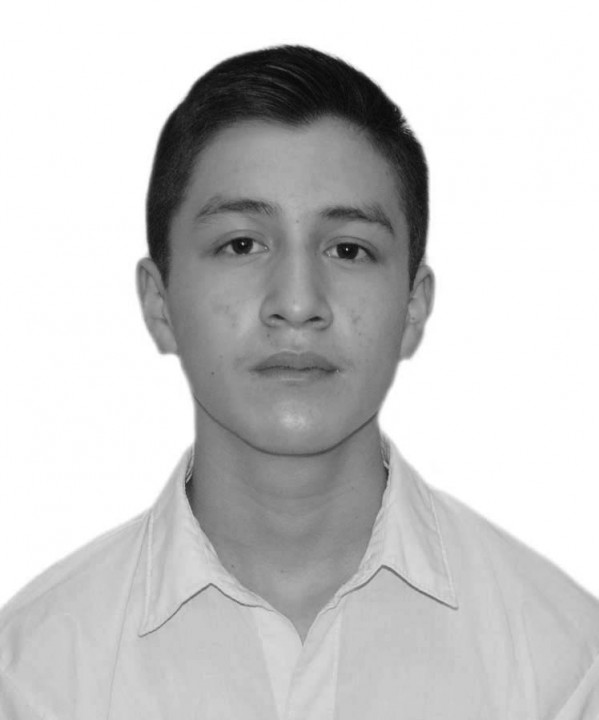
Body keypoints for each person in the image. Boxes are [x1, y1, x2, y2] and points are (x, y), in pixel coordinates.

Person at [0, 44, 598, 720]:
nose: (296, 301)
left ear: (412, 307)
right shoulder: (32, 679)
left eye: (348, 249)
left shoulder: (564, 667)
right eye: (241, 244)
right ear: (159, 303)